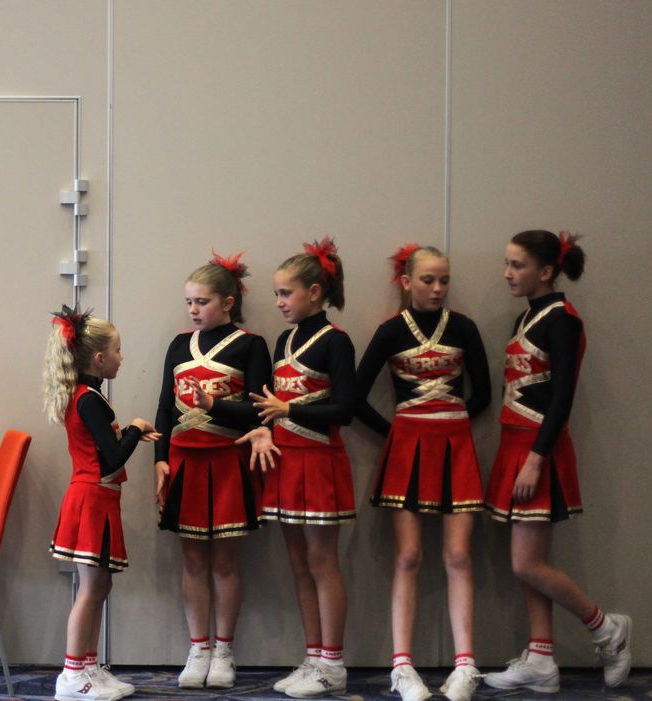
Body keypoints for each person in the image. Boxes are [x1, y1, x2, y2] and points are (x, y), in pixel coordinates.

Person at [482, 231, 632, 693]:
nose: (507, 273)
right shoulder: (527, 316)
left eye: (517, 265)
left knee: (527, 564)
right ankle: (541, 658)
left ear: (546, 271)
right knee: (528, 560)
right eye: (506, 263)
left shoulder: (563, 319)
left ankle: (606, 627)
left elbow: (562, 396)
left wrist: (535, 459)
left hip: (537, 449)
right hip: (514, 446)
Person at [354, 245, 490, 701]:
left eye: (444, 280)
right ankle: (402, 666)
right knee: (408, 556)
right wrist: (397, 434)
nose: (437, 289)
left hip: (455, 448)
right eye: (428, 280)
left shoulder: (465, 328)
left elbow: (484, 393)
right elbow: (355, 397)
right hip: (406, 449)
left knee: (458, 556)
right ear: (406, 281)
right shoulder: (391, 330)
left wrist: (449, 423)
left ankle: (465, 665)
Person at [152, 252, 273, 689]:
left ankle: (224, 650)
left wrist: (214, 405)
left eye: (201, 302)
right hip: (184, 461)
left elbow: (260, 413)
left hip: (227, 461)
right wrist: (160, 459)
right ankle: (197, 646)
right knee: (191, 559)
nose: (192, 310)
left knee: (224, 560)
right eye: (189, 302)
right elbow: (165, 407)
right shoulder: (179, 344)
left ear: (228, 301)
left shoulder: (251, 344)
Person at [241, 237, 355, 698]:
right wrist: (267, 425)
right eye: (276, 293)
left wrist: (287, 412)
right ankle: (313, 656)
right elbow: (266, 405)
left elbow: (344, 410)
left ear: (315, 291)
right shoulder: (285, 340)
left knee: (323, 562)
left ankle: (334, 663)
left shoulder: (336, 342)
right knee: (298, 563)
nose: (279, 302)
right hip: (284, 462)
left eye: (286, 293)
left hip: (320, 461)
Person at [44, 306, 160, 701]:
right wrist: (137, 426)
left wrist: (129, 431)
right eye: (118, 349)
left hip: (100, 498)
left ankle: (89, 666)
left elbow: (108, 453)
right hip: (90, 499)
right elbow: (112, 457)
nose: (122, 357)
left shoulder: (88, 395)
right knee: (90, 589)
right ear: (99, 358)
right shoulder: (89, 399)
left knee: (100, 584)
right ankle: (72, 675)